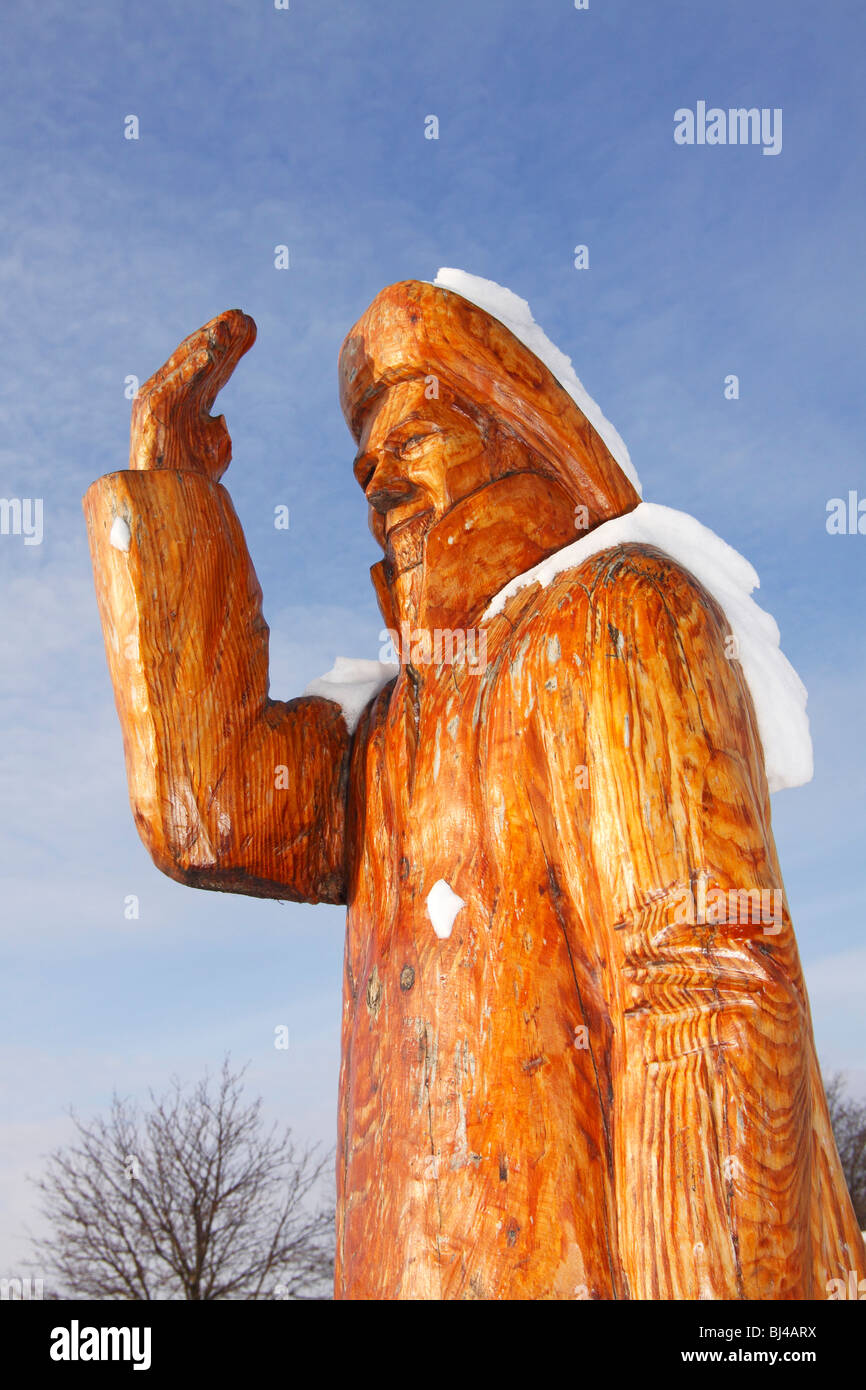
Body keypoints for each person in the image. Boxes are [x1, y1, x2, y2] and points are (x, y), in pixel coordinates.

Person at [84, 278, 865, 1299]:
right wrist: (176, 489)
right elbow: (207, 815)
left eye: (412, 436)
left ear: (512, 432)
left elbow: (705, 995)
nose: (378, 480)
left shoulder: (611, 622)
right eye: (365, 461)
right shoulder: (387, 732)